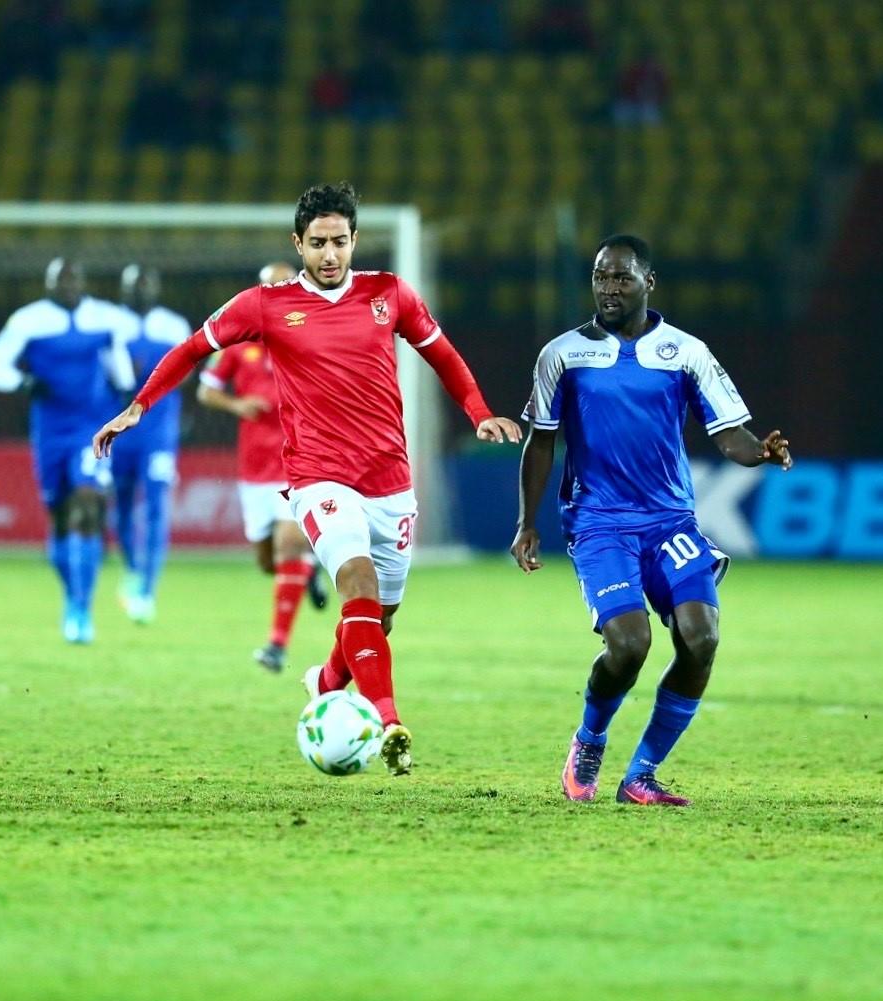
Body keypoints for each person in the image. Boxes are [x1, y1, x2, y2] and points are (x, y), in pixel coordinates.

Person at [95, 182, 521, 775]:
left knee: (377, 619)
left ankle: (324, 681)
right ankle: (390, 722)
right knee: (356, 582)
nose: (329, 254)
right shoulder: (266, 305)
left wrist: (479, 413)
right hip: (319, 477)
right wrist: (139, 406)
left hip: (389, 480)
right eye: (317, 243)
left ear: (353, 242)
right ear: (297, 243)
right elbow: (192, 349)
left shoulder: (388, 294)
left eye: (339, 242)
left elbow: (442, 354)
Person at [511, 235, 792, 806]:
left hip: (670, 522)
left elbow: (728, 433)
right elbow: (541, 442)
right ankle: (589, 740)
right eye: (600, 277)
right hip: (599, 522)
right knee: (630, 644)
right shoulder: (561, 355)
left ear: (648, 282)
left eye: (621, 278)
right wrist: (527, 522)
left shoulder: (685, 351)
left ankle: (641, 774)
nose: (608, 288)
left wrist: (760, 451)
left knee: (701, 637)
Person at [0, 257, 138, 644]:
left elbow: (120, 361)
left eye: (74, 279)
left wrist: (127, 386)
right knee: (59, 519)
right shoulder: (28, 320)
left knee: (87, 507)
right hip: (50, 432)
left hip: (93, 429)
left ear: (83, 283)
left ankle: (82, 608)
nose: (68, 286)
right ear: (49, 284)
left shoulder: (106, 318)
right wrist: (23, 383)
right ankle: (73, 597)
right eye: (60, 280)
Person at [196, 260, 330, 675]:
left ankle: (276, 645)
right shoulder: (240, 345)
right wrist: (237, 404)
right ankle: (305, 573)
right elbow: (205, 391)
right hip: (254, 467)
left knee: (289, 544)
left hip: (300, 462)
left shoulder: (315, 340)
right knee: (268, 562)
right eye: (271, 290)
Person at [111, 263, 192, 624]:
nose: (140, 291)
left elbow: (187, 371)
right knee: (122, 501)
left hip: (158, 432)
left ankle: (147, 588)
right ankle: (131, 566)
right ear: (124, 291)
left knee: (157, 503)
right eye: (134, 286)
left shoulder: (173, 326)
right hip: (120, 430)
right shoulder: (111, 324)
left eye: (145, 284)